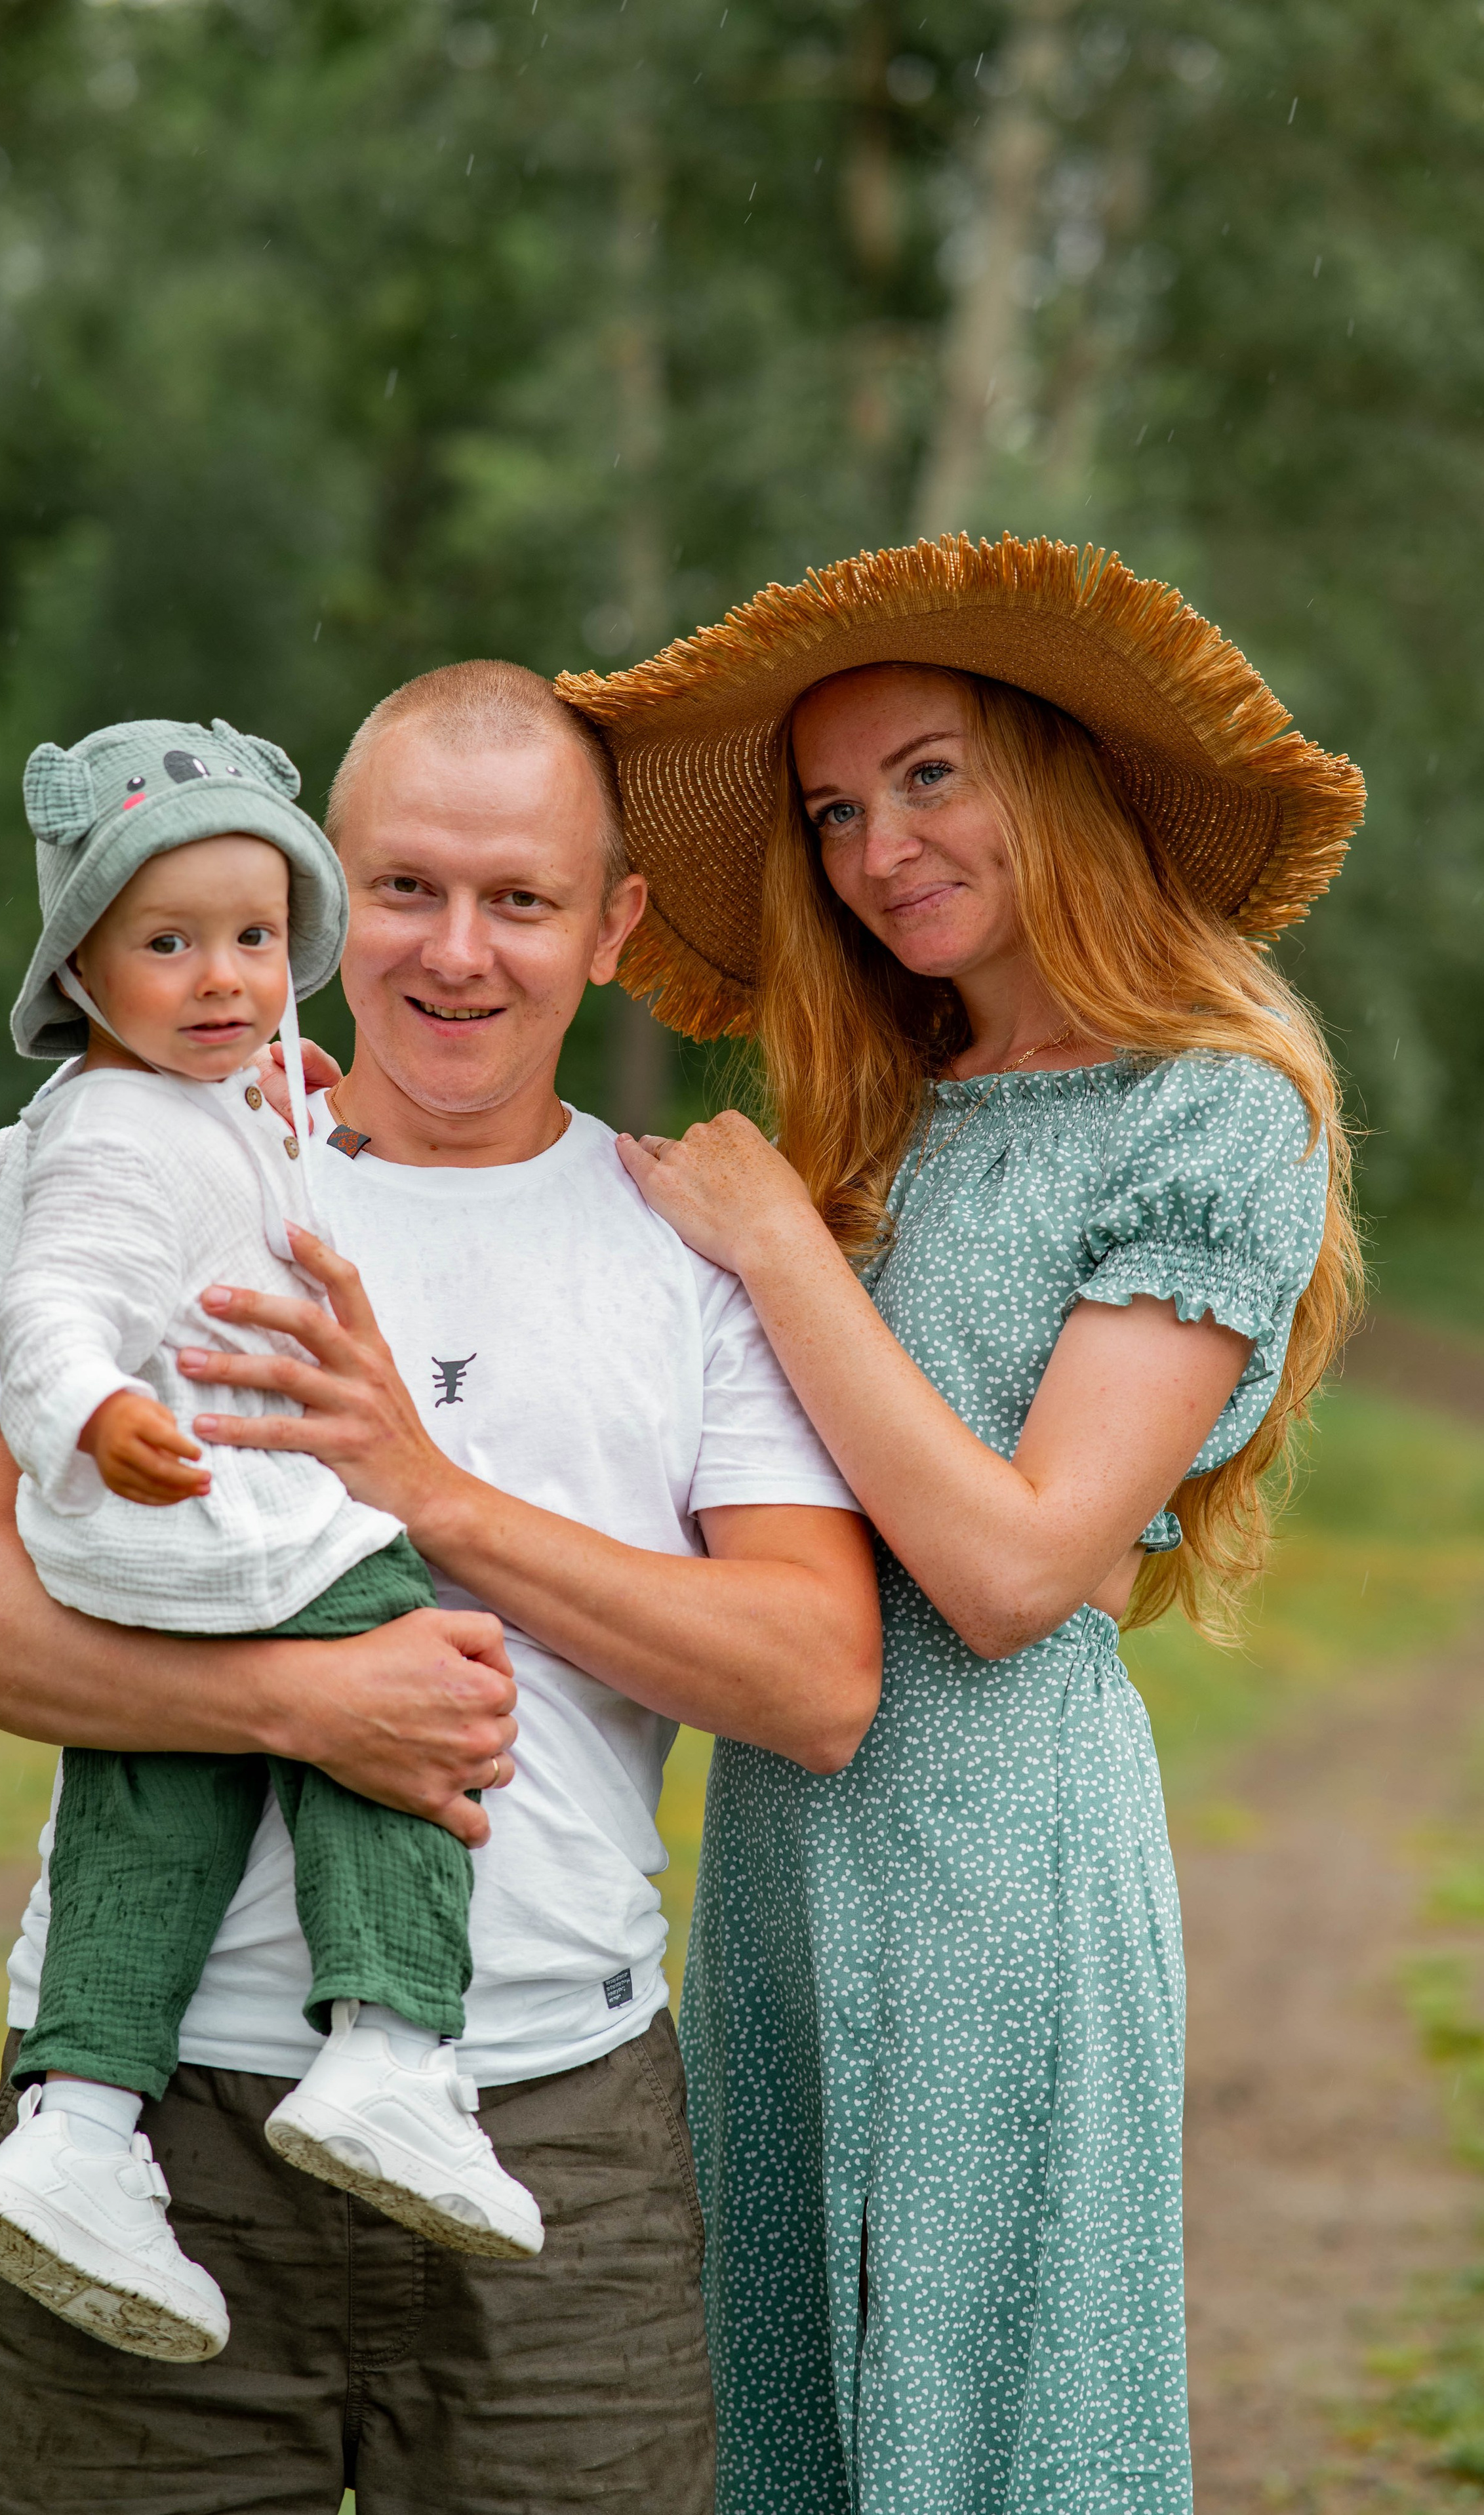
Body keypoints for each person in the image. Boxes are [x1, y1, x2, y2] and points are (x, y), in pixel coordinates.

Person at [0, 660, 883, 2515]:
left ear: (614, 926)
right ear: (327, 885)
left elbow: (814, 1676)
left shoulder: (684, 1251)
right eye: (406, 887)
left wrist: (428, 1493)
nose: (458, 953)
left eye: (523, 900)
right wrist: (291, 1700)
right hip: (148, 2108)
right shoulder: (162, 1160)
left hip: (553, 2129)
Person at [563, 534, 1366, 2515]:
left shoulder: (1213, 1113)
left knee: (996, 2431)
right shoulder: (871, 1110)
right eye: (835, 808)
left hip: (1008, 1851)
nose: (875, 847)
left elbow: (1017, 1575)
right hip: (776, 1843)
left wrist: (779, 1247)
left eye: (929, 774)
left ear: (1053, 772)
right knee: (782, 2419)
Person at [0, 715, 542, 2375]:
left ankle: (76, 2125)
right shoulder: (133, 1139)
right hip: (223, 1517)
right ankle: (394, 2044)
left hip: (139, 1575)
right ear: (83, 966)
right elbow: (58, 1292)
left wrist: (271, 1105)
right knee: (400, 1662)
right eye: (169, 944)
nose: (225, 981)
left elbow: (12, 1196)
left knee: (158, 1787)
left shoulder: (158, 1102)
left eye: (259, 941)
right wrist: (84, 1418)